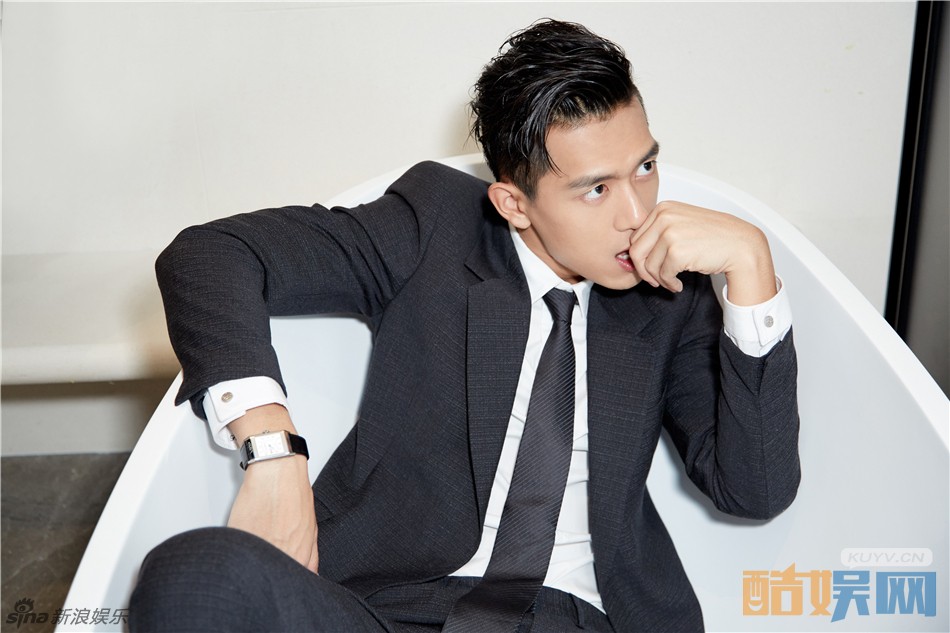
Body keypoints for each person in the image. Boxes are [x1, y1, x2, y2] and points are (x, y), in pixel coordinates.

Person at [130, 19, 800, 633]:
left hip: (580, 618)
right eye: (597, 188)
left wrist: (752, 267)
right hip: (390, 611)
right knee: (194, 576)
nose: (636, 214)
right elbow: (211, 255)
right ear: (513, 203)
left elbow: (755, 490)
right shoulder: (435, 228)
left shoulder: (672, 290)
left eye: (646, 167)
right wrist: (274, 452)